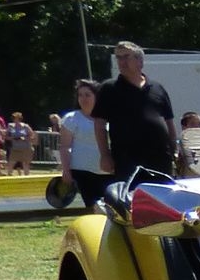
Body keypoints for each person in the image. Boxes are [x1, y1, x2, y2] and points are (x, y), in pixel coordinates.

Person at [92, 41, 179, 183]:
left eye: (126, 57)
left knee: (161, 194)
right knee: (132, 195)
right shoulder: (109, 88)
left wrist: (174, 150)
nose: (122, 62)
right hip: (127, 159)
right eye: (118, 58)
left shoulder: (157, 88)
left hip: (160, 158)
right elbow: (99, 124)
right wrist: (105, 155)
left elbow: (169, 121)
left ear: (140, 61)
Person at [57, 80, 110, 208]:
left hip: (108, 171)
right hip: (83, 171)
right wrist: (66, 171)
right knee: (94, 207)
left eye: (87, 95)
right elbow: (65, 147)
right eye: (80, 95)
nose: (83, 99)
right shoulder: (71, 118)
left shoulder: (109, 117)